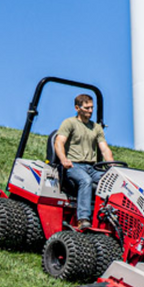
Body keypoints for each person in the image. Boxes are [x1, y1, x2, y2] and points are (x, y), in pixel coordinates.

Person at [54, 93, 114, 229]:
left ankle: (108, 218)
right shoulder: (69, 123)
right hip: (73, 166)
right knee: (85, 181)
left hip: (92, 167)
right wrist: (63, 159)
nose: (91, 111)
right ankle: (83, 219)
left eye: (92, 108)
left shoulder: (96, 127)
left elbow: (104, 149)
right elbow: (59, 142)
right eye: (87, 108)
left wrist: (113, 167)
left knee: (112, 182)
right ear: (77, 108)